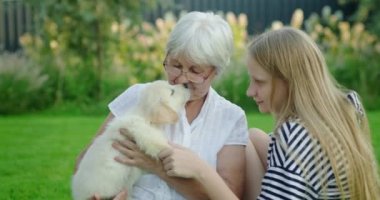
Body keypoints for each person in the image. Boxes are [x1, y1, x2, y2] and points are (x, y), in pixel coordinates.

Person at [149, 27, 380, 199]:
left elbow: (294, 145)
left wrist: (200, 170)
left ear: (288, 82)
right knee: (254, 136)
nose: (250, 91)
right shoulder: (348, 105)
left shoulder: (295, 136)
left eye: (259, 82)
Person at [75, 11, 249, 199]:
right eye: (175, 65)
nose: (180, 78)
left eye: (194, 70)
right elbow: (87, 160)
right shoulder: (139, 96)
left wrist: (156, 166)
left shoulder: (231, 118)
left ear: (215, 71)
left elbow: (228, 195)